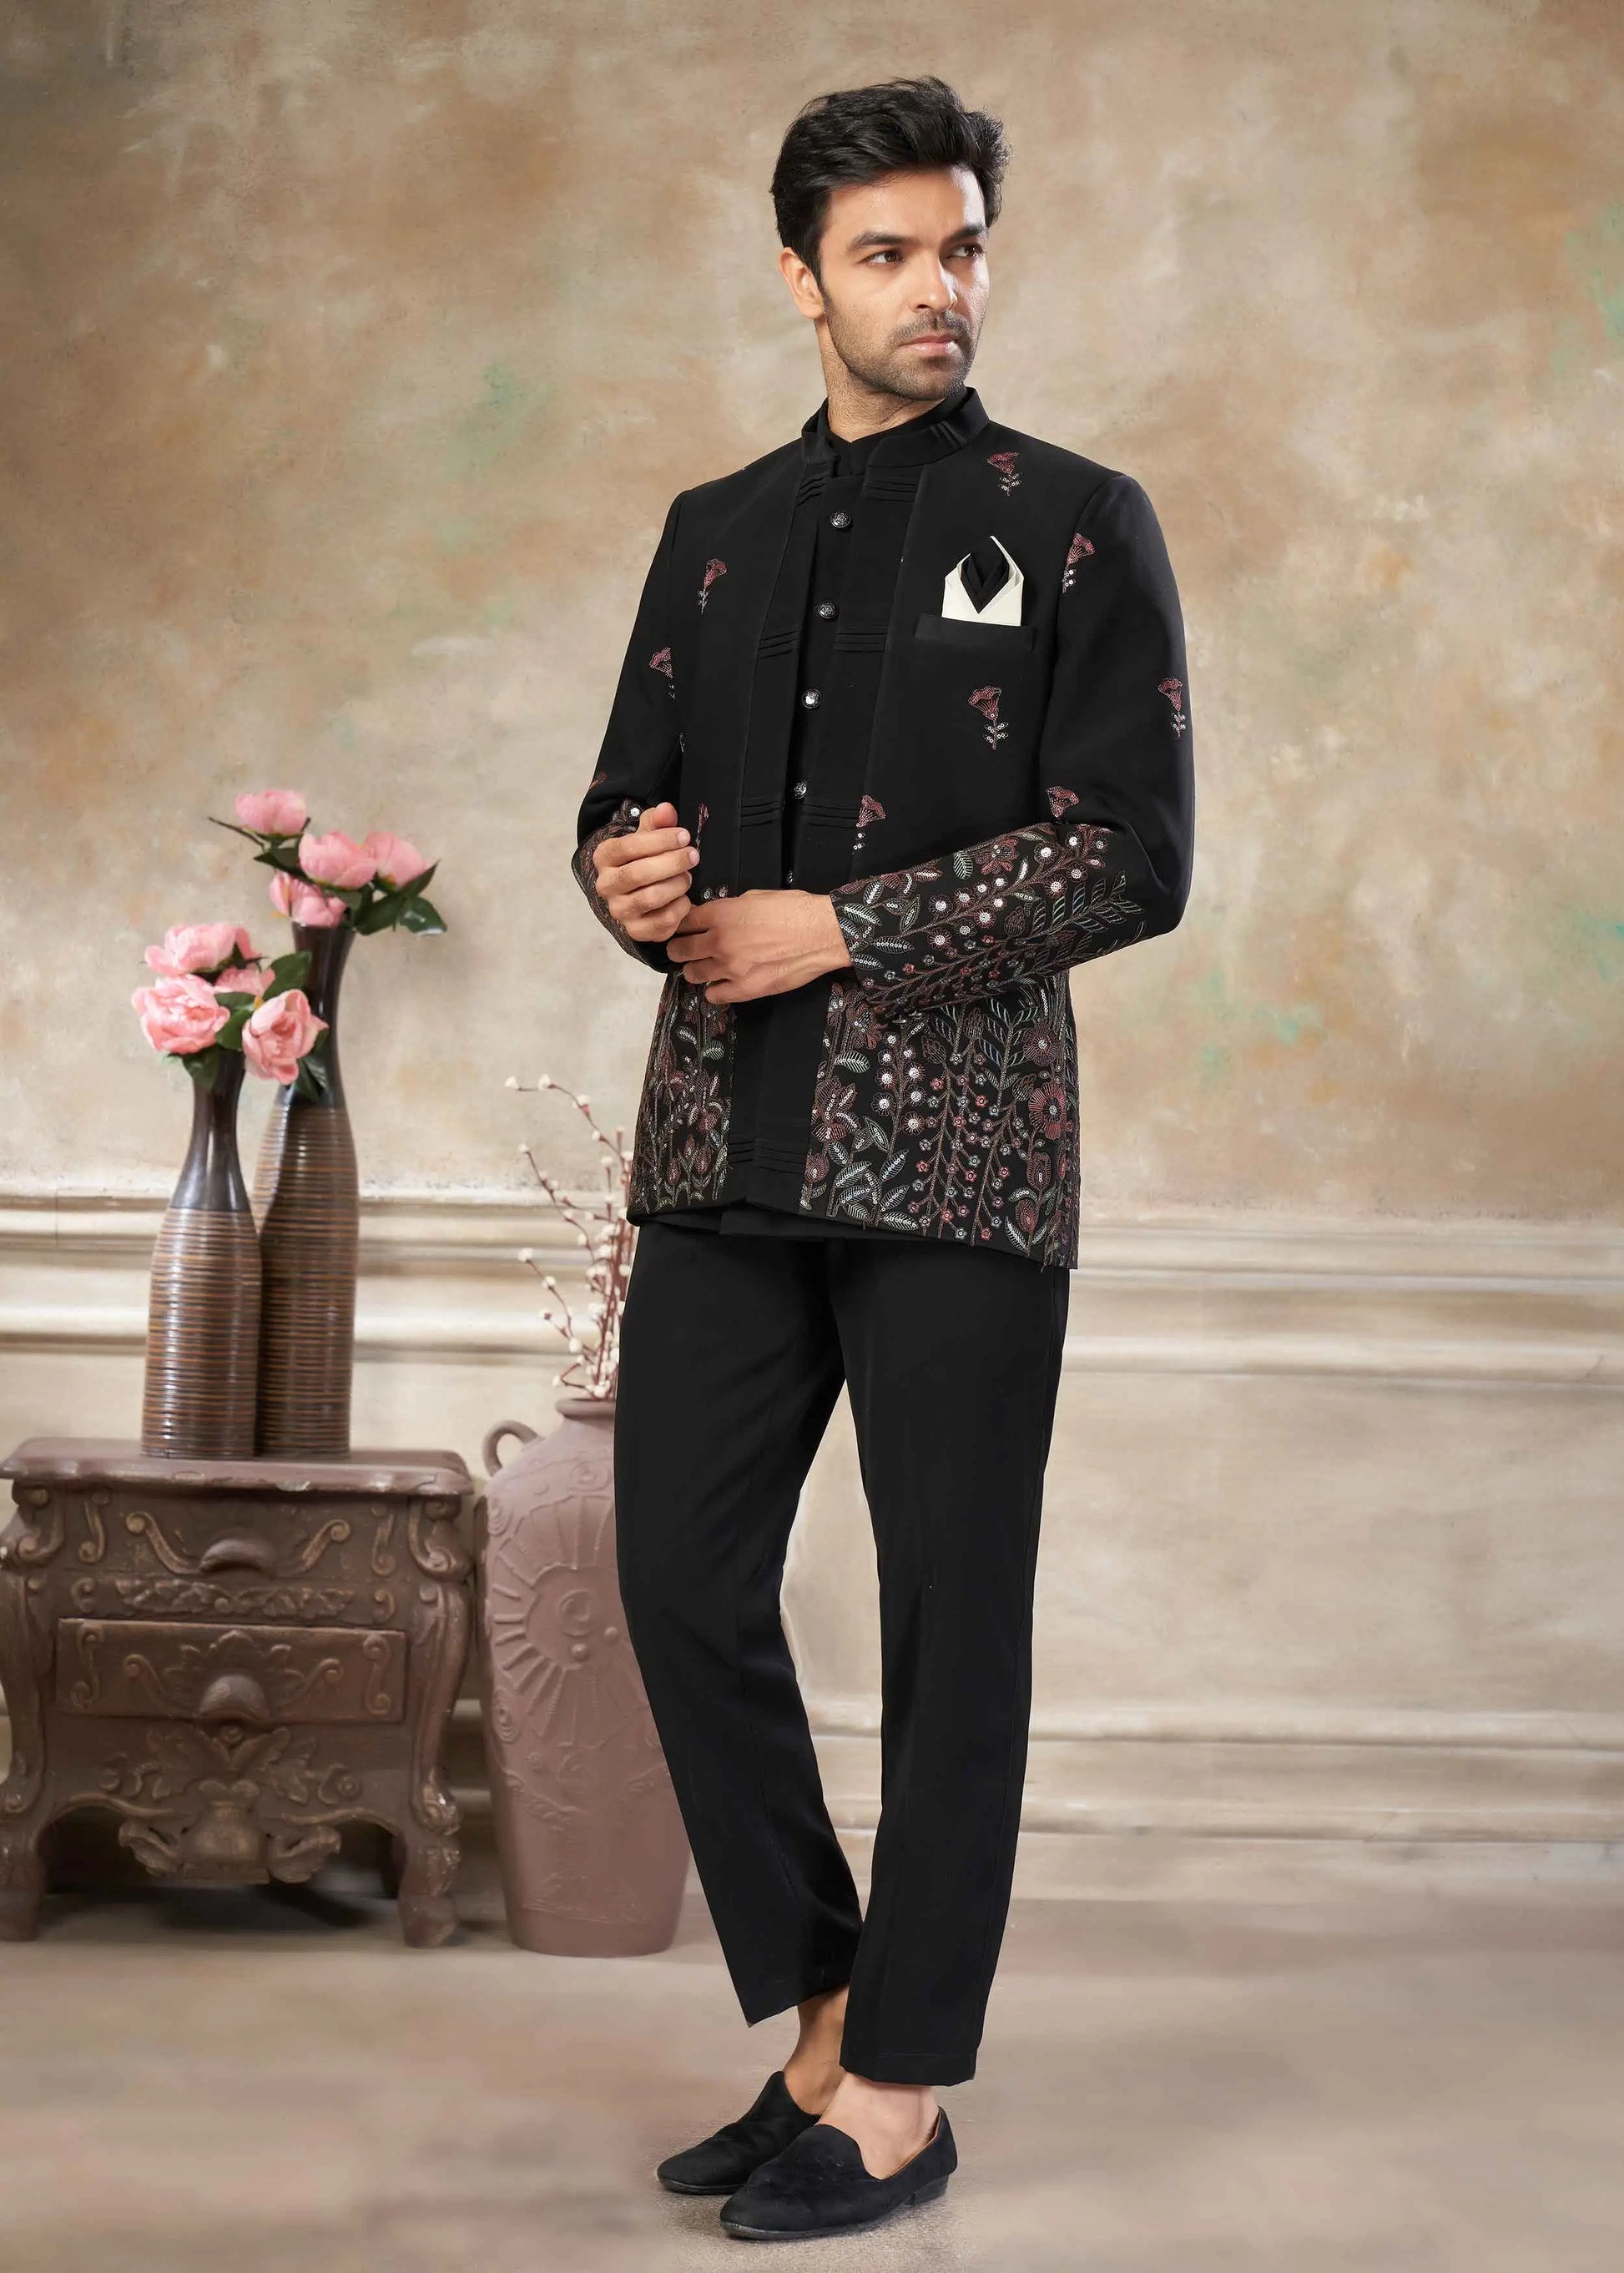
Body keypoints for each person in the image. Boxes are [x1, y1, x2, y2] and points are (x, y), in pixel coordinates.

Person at [572, 74, 1195, 2243]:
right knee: (675, 1576)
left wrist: (843, 925)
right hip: (721, 1144)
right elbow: (623, 802)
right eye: (887, 253)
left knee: (949, 1624)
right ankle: (830, 2010)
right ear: (800, 278)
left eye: (961, 248)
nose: (939, 288)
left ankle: (902, 2091)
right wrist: (629, 875)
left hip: (960, 1162)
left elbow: (1131, 854)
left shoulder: (1078, 519)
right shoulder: (713, 530)